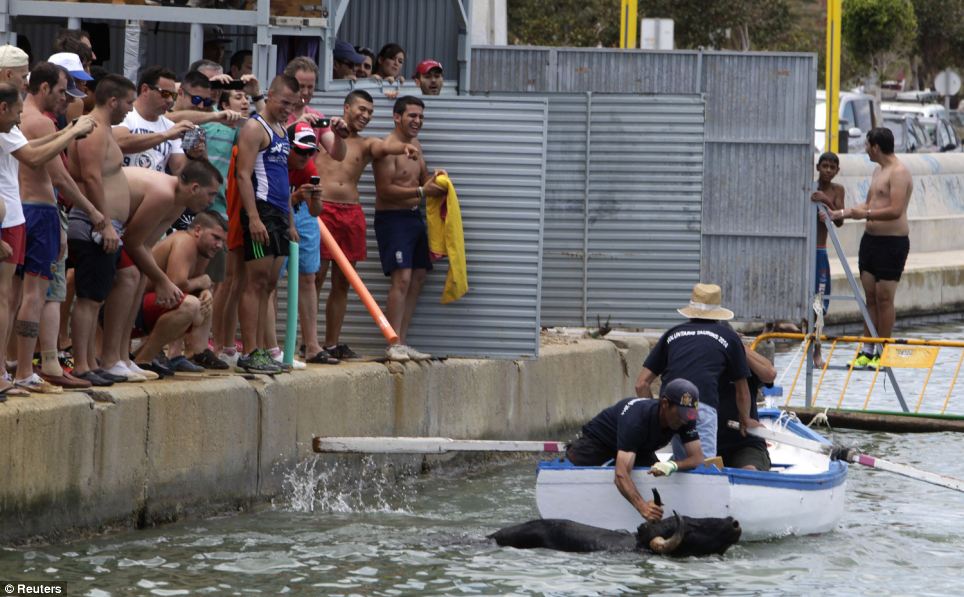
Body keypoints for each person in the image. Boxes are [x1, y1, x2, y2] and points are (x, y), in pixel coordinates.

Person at [1, 48, 97, 394]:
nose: (67, 98)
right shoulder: (26, 117)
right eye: (63, 90)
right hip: (34, 212)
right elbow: (45, 165)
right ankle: (25, 368)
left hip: (21, 211)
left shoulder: (19, 117)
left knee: (12, 296)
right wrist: (71, 132)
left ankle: (12, 367)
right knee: (31, 295)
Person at [315, 90, 418, 361]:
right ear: (346, 107)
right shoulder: (322, 135)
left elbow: (384, 147)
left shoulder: (366, 144)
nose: (365, 116)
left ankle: (331, 343)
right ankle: (308, 342)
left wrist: (404, 147)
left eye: (370, 112)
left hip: (351, 213)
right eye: (361, 109)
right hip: (322, 210)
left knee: (342, 283)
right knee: (315, 278)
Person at [634, 283, 758, 460]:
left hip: (670, 408)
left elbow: (641, 384)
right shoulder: (728, 337)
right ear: (718, 313)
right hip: (699, 408)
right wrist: (745, 419)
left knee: (683, 461)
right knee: (703, 466)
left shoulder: (672, 334)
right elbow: (742, 391)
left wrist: (655, 414)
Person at [66, 74, 135, 387]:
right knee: (89, 297)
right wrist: (104, 222)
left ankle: (89, 361)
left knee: (96, 296)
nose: (129, 110)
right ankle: (81, 365)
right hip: (94, 224)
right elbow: (92, 178)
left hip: (106, 225)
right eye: (128, 103)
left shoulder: (103, 128)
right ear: (113, 101)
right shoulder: (92, 129)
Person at [121, 162, 221, 374]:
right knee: (187, 303)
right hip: (101, 229)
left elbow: (145, 246)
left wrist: (203, 288)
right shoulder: (165, 195)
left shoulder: (177, 204)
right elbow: (132, 241)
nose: (213, 201)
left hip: (136, 291)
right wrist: (162, 281)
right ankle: (128, 358)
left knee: (138, 275)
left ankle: (126, 358)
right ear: (194, 188)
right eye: (211, 194)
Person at [565, 379, 705, 523]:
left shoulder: (687, 417)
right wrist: (642, 508)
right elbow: (620, 475)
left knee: (655, 476)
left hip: (639, 446)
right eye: (680, 414)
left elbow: (697, 458)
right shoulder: (637, 420)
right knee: (578, 468)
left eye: (689, 414)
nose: (684, 420)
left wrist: (673, 465)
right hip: (599, 441)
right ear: (664, 404)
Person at [234, 74, 301, 374]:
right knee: (256, 282)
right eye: (284, 102)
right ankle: (249, 351)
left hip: (278, 212)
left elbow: (284, 179)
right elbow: (243, 175)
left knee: (271, 284)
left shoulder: (282, 130)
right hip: (260, 210)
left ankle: (263, 349)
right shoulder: (254, 127)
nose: (288, 108)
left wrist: (290, 221)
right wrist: (254, 218)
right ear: (270, 95)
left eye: (293, 104)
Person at [372, 96, 445, 361]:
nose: (417, 121)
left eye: (421, 117)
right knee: (401, 279)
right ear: (396, 117)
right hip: (392, 220)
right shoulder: (387, 148)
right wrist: (421, 190)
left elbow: (421, 177)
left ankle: (402, 341)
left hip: (414, 218)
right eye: (412, 116)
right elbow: (385, 190)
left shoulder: (416, 145)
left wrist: (435, 179)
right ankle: (392, 344)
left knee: (418, 277)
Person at [835, 128, 912, 368]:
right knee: (869, 297)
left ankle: (883, 350)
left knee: (884, 298)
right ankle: (867, 349)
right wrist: (842, 212)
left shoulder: (899, 173)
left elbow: (895, 210)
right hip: (870, 242)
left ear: (876, 147)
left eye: (867, 145)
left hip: (892, 243)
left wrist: (865, 213)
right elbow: (868, 204)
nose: (865, 149)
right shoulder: (878, 170)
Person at [134, 210, 227, 372]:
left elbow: (190, 285)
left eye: (222, 241)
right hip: (127, 314)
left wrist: (205, 290)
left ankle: (195, 352)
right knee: (189, 305)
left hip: (140, 311)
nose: (219, 245)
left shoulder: (203, 250)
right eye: (216, 237)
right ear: (197, 230)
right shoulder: (185, 242)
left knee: (204, 300)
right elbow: (174, 285)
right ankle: (145, 358)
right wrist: (202, 281)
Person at [113, 65, 195, 174]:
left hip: (154, 189)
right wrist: (166, 135)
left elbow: (179, 171)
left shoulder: (170, 126)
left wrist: (192, 154)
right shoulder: (125, 115)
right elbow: (121, 142)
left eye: (173, 95)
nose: (170, 100)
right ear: (145, 89)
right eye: (165, 93)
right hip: (125, 188)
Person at [716, 337, 776, 470]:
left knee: (749, 471)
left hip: (746, 443)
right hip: (705, 442)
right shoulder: (699, 362)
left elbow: (770, 374)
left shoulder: (742, 360)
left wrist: (737, 347)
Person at [809, 151, 845, 368]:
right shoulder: (810, 187)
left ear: (837, 170)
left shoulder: (837, 190)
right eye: (825, 166)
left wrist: (826, 202)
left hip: (820, 250)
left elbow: (839, 220)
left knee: (819, 304)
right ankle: (773, 327)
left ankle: (817, 350)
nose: (828, 171)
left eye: (832, 167)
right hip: (805, 250)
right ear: (818, 167)